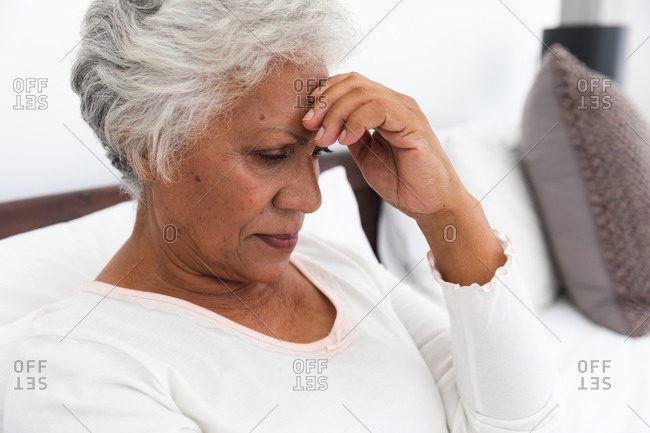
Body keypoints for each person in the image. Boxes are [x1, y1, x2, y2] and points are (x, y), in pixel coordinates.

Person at [3, 0, 562, 431]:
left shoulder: (332, 267)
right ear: (149, 146)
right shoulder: (71, 370)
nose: (311, 199)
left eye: (316, 153)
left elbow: (519, 420)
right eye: (271, 156)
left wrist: (448, 211)